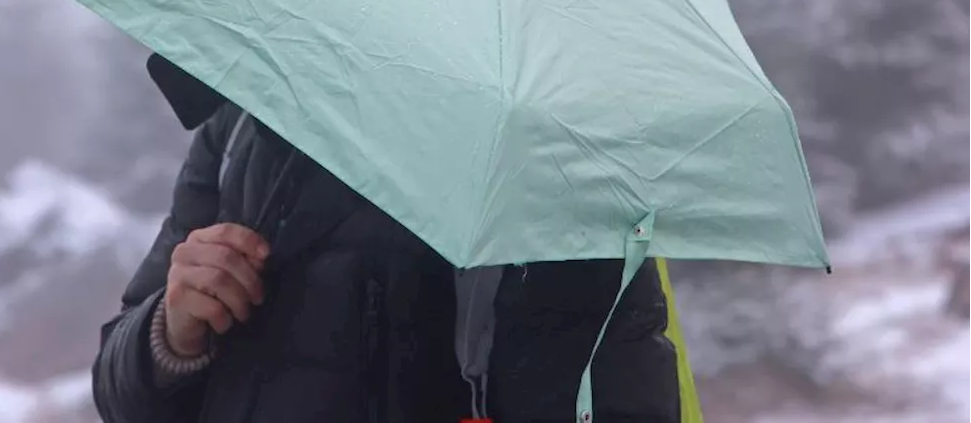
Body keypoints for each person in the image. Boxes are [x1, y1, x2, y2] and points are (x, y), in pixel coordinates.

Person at [92, 54, 680, 423]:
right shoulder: (241, 117)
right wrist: (170, 334)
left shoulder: (554, 158)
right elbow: (122, 398)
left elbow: (622, 396)